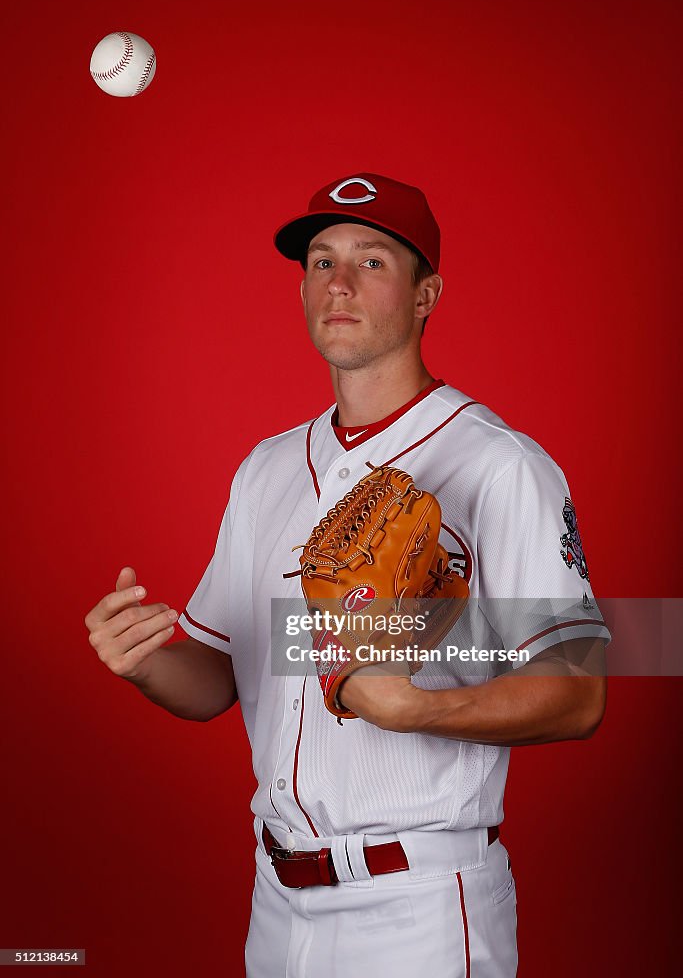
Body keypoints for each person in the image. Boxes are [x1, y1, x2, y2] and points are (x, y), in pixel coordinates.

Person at [85, 172, 609, 977]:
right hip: (275, 898)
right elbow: (218, 678)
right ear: (301, 290)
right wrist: (147, 659)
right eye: (322, 261)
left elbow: (579, 692)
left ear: (425, 292)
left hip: (420, 906)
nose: (339, 283)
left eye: (371, 261)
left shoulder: (495, 465)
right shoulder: (265, 471)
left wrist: (414, 707)